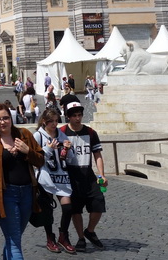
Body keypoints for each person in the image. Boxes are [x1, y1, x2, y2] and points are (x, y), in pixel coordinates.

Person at [0, 102, 45, 260]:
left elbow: (40, 161)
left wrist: (27, 151)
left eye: (5, 118)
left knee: (13, 237)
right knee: (14, 241)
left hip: (27, 194)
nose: (2, 122)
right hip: (6, 195)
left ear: (11, 118)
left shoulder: (24, 135)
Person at [60, 102, 107, 251]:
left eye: (79, 115)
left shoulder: (91, 132)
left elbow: (97, 154)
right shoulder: (61, 132)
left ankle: (90, 231)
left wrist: (102, 175)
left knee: (98, 203)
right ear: (68, 117)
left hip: (88, 175)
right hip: (71, 176)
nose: (78, 118)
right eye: (74, 116)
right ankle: (81, 238)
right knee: (76, 209)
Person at [35, 108, 75, 254]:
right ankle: (49, 237)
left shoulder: (62, 135)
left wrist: (69, 150)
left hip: (62, 176)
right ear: (45, 121)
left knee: (67, 208)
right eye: (51, 121)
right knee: (48, 210)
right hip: (46, 178)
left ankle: (63, 236)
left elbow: (70, 159)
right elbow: (35, 159)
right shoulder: (38, 136)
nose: (54, 124)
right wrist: (48, 149)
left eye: (56, 121)